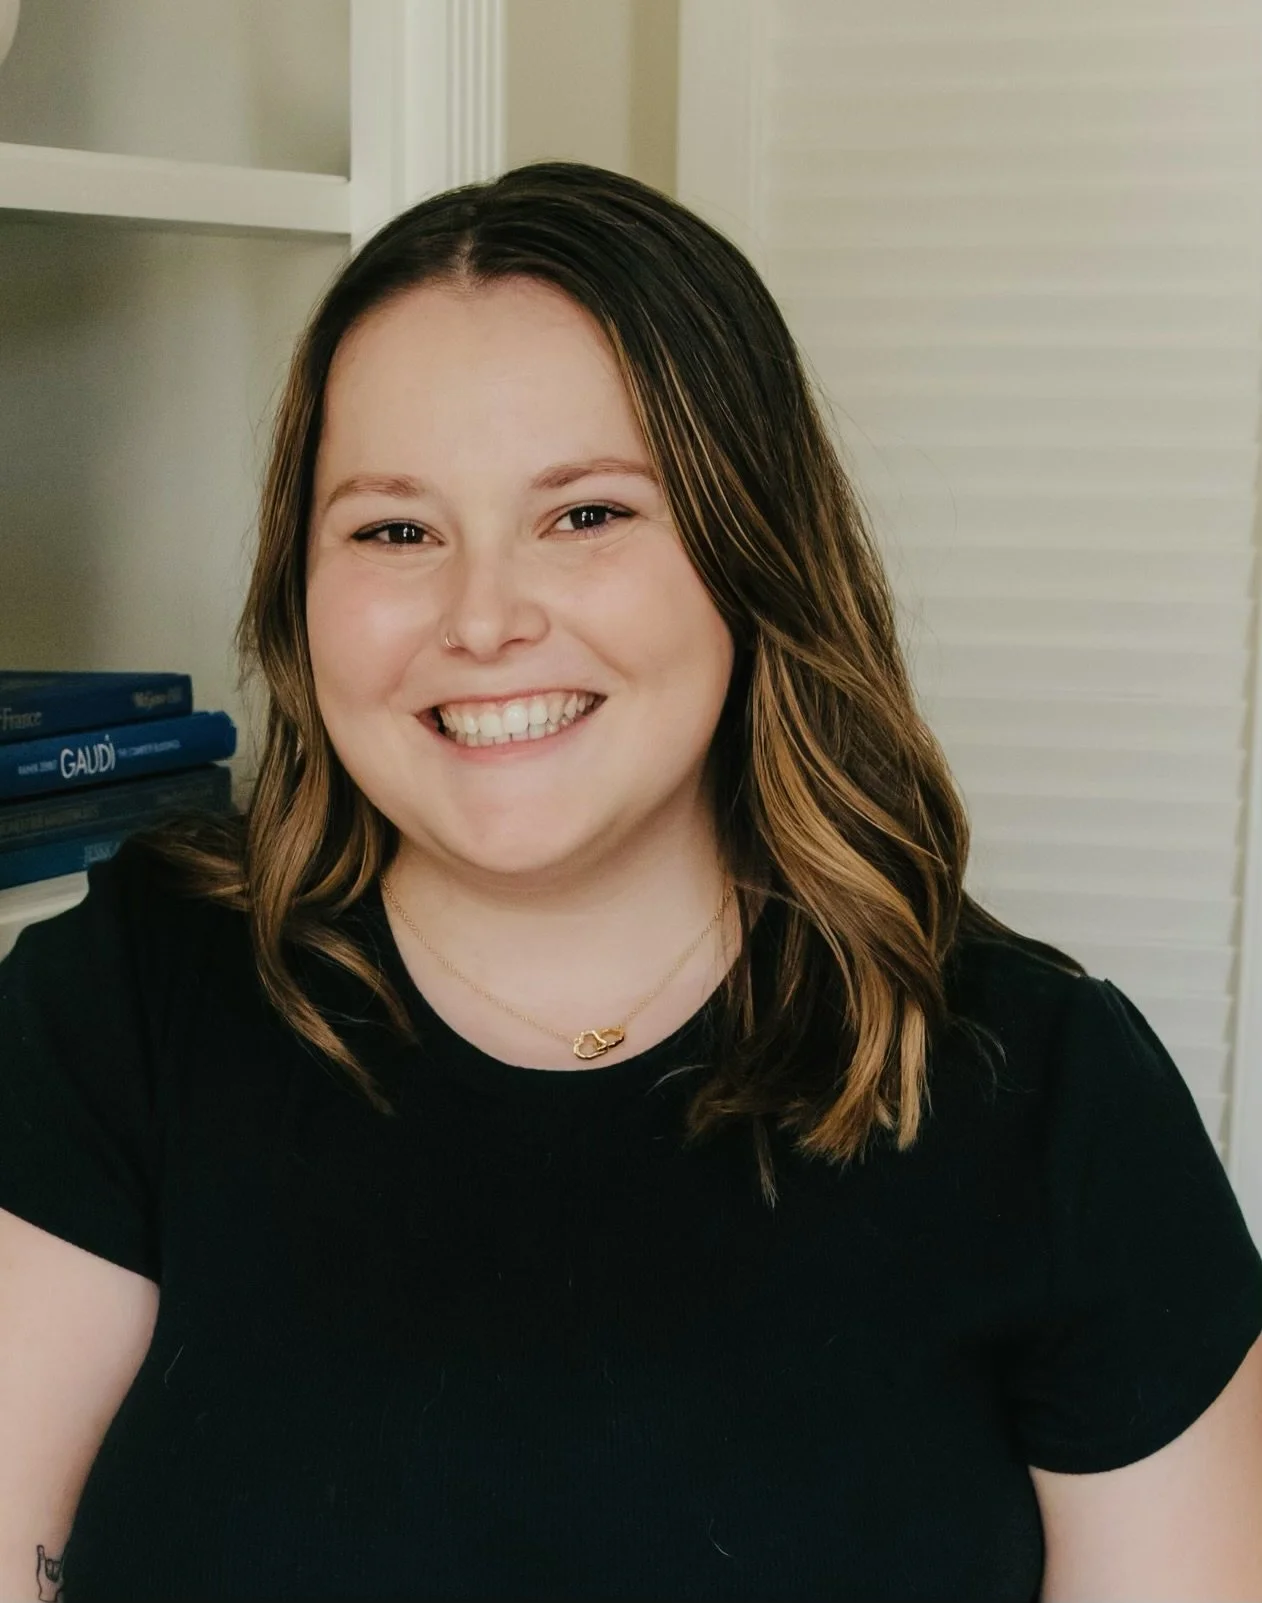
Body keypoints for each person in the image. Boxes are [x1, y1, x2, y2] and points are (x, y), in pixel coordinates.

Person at [1, 161, 1260, 1603]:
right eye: (394, 529)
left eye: (586, 513)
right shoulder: (126, 1000)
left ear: (750, 551)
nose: (482, 617)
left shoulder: (1051, 1097)